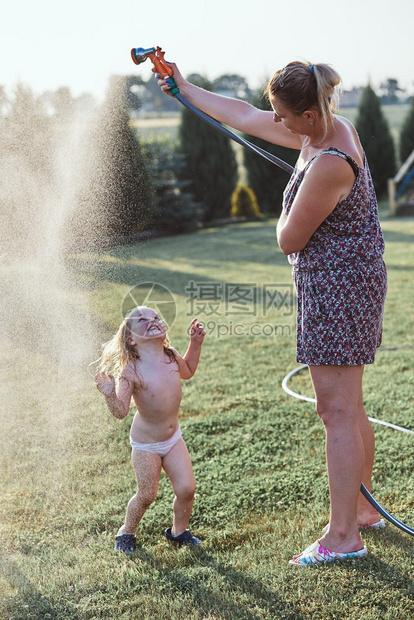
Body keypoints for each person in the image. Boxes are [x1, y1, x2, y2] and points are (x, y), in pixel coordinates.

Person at [156, 60, 387, 566]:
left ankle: (344, 535)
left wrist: (290, 199)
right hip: (345, 283)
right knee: (350, 405)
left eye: (283, 116)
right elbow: (243, 114)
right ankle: (364, 513)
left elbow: (289, 237)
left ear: (308, 113)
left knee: (337, 411)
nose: (275, 122)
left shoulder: (328, 159)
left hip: (339, 289)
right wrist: (184, 86)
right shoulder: (324, 127)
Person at [95, 306, 206, 552]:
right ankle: (126, 533)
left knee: (187, 489)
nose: (152, 320)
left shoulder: (170, 355)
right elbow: (121, 411)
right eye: (142, 320)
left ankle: (179, 533)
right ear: (131, 339)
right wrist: (109, 395)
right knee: (146, 495)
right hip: (147, 444)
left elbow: (187, 371)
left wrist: (195, 343)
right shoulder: (130, 371)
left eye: (155, 317)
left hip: (173, 437)